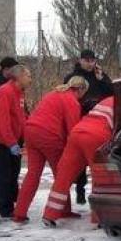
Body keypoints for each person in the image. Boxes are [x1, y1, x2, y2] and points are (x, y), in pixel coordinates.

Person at [13, 76, 89, 223]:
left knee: (33, 174)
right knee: (62, 174)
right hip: (49, 136)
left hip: (30, 131)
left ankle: (19, 213)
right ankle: (62, 210)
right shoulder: (72, 101)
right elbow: (73, 131)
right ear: (80, 89)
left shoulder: (53, 93)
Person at [42, 96, 115, 226]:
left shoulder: (106, 100)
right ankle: (98, 218)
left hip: (77, 132)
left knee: (64, 176)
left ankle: (50, 214)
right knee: (100, 177)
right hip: (98, 135)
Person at [63, 49, 113, 205]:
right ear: (80, 60)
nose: (90, 63)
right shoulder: (72, 78)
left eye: (92, 60)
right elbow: (68, 98)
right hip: (78, 119)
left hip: (99, 120)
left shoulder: (100, 76)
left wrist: (102, 79)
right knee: (79, 159)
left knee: (96, 158)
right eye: (87, 60)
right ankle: (80, 190)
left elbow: (112, 92)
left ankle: (97, 192)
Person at [0, 65, 30, 218]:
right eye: (28, 76)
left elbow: (20, 117)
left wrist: (25, 137)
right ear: (19, 77)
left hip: (11, 139)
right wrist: (11, 143)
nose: (30, 79)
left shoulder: (19, 93)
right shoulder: (5, 92)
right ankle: (6, 208)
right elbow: (3, 121)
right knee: (2, 174)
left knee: (9, 173)